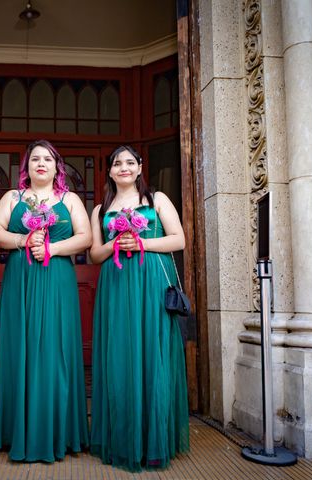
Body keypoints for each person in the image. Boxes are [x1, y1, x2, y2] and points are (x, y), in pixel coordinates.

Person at [0, 139, 91, 462]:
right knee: (20, 346)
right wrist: (22, 240)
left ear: (57, 166)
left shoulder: (70, 199)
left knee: (54, 349)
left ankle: (57, 430)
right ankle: (12, 430)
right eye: (35, 159)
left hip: (57, 278)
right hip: (20, 277)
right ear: (26, 166)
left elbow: (85, 237)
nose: (41, 164)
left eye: (47, 159)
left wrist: (51, 249)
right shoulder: (12, 198)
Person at [89, 145, 190, 471]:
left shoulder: (157, 200)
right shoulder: (100, 210)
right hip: (116, 287)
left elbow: (179, 240)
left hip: (150, 285)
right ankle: (121, 439)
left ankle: (154, 442)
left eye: (129, 162)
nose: (123, 168)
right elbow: (94, 254)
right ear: (109, 170)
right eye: (117, 163)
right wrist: (114, 244)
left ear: (140, 167)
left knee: (152, 357)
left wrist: (142, 242)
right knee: (119, 358)